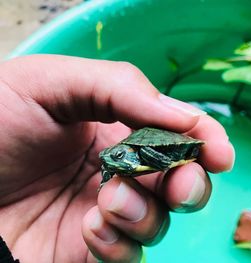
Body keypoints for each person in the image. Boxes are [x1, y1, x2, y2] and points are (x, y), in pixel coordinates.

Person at [0, 55, 234, 263]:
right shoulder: (119, 163)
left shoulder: (142, 151)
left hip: (180, 150)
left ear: (129, 151)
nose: (111, 160)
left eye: (118, 155)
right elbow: (111, 165)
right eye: (111, 157)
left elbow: (150, 152)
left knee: (184, 184)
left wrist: (161, 162)